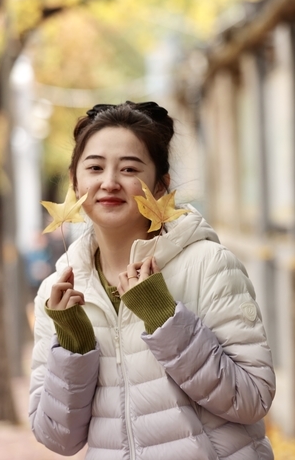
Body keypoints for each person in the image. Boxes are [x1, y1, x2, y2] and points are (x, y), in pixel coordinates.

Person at [28, 101, 276, 459]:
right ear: (75, 180)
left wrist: (165, 319)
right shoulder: (59, 293)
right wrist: (73, 344)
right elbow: (58, 439)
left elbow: (253, 399)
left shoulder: (208, 264)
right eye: (95, 167)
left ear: (160, 186)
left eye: (129, 169)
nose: (109, 182)